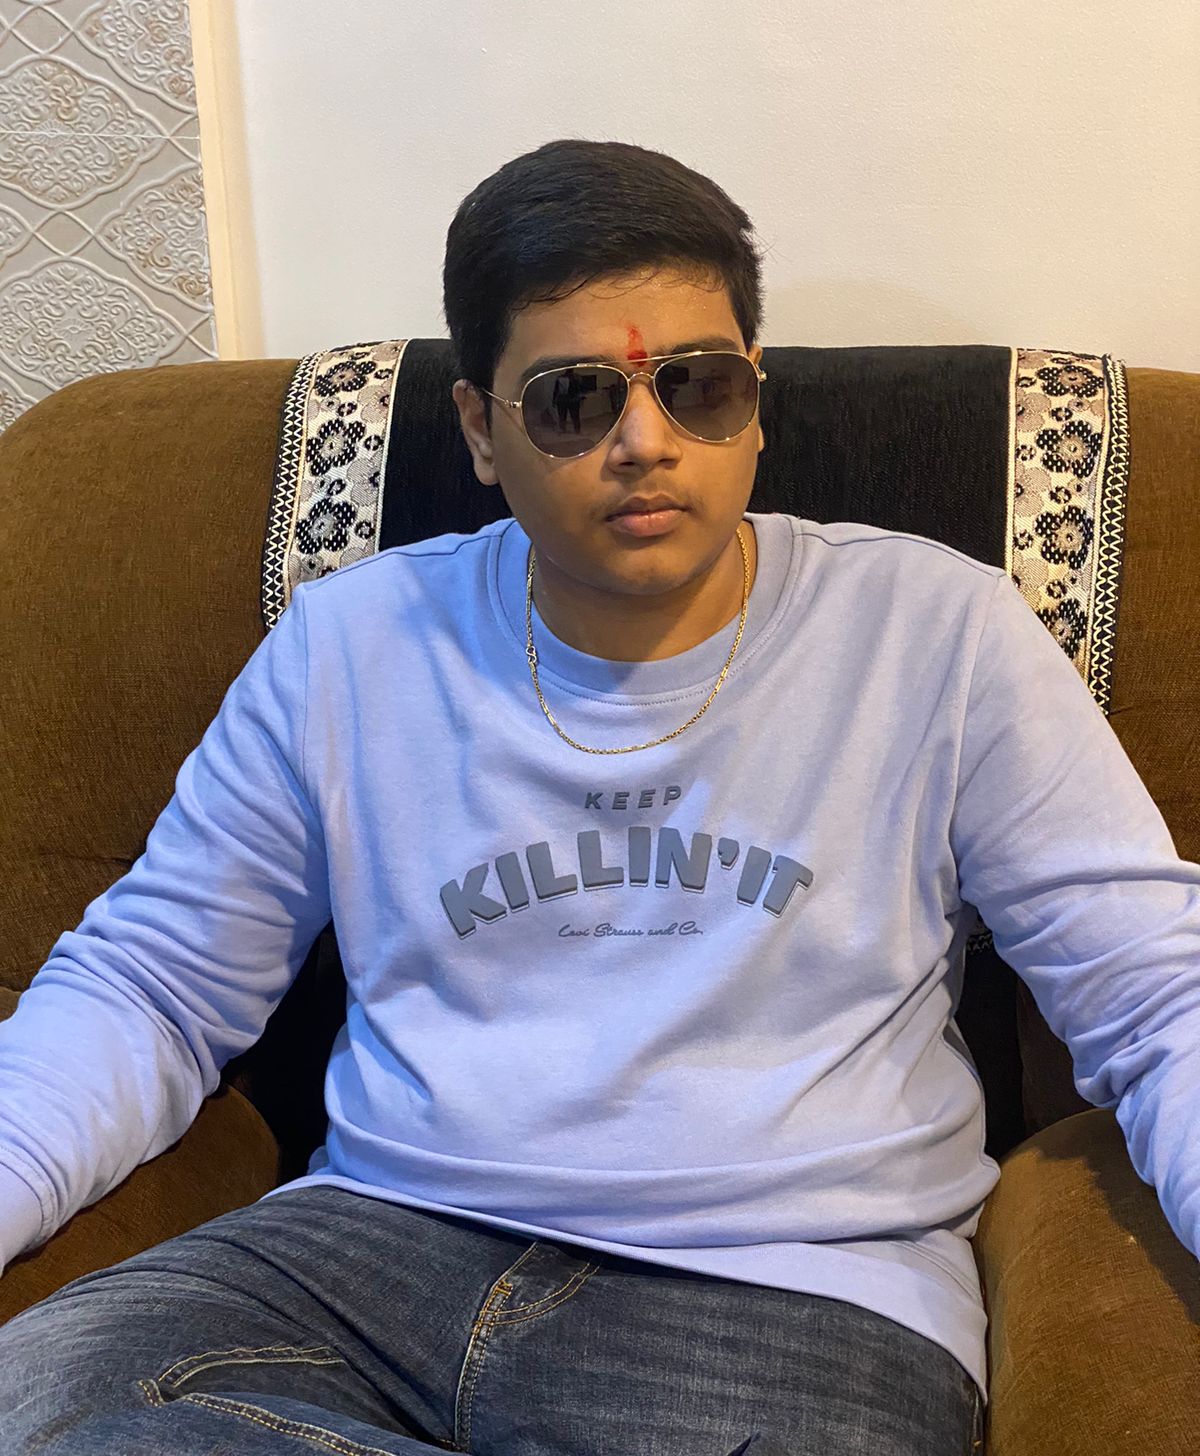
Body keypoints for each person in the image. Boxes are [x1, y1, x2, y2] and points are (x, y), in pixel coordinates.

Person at [3, 138, 1197, 1455]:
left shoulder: (937, 633)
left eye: (699, 387)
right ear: (481, 431)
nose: (646, 442)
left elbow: (1157, 996)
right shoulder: (353, 648)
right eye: (574, 400)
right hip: (377, 1254)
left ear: (757, 400)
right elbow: (152, 989)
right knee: (36, 1396)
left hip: (790, 1288)